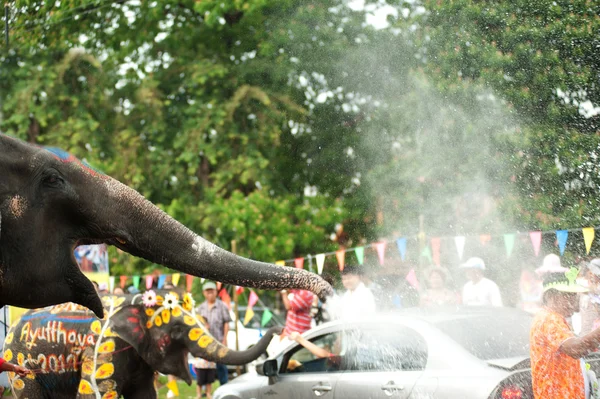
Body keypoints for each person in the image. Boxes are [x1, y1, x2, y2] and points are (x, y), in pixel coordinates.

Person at [530, 269, 600, 399]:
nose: (574, 302)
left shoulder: (553, 317)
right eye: (568, 295)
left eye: (575, 296)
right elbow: (576, 349)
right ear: (551, 296)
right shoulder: (549, 319)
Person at [196, 281, 231, 388]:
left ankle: (224, 386)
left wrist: (225, 339)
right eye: (208, 292)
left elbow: (226, 323)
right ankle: (205, 390)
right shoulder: (200, 308)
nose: (210, 294)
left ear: (216, 292)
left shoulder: (222, 306)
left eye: (212, 291)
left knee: (221, 365)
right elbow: (197, 324)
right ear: (204, 293)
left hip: (218, 340)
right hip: (205, 342)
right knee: (204, 368)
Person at [580, 259, 600, 335]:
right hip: (584, 334)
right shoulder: (583, 287)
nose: (591, 275)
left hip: (594, 336)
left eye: (595, 273)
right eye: (590, 271)